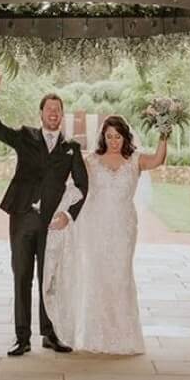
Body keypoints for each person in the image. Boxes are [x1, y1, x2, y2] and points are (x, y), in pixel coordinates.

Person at [0, 67, 89, 356]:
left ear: (62, 115)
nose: (53, 113)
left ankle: (50, 333)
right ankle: (22, 337)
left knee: (49, 278)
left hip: (52, 223)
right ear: (41, 113)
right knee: (22, 276)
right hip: (23, 217)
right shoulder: (25, 136)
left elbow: (83, 185)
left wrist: (68, 215)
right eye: (49, 109)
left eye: (58, 109)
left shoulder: (71, 148)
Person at [43, 115, 167, 354]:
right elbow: (73, 182)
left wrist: (164, 132)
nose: (113, 141)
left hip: (123, 228)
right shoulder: (91, 161)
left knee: (120, 276)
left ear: (125, 137)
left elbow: (158, 159)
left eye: (117, 136)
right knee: (97, 277)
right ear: (103, 137)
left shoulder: (135, 160)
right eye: (109, 136)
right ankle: (95, 335)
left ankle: (122, 336)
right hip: (94, 227)